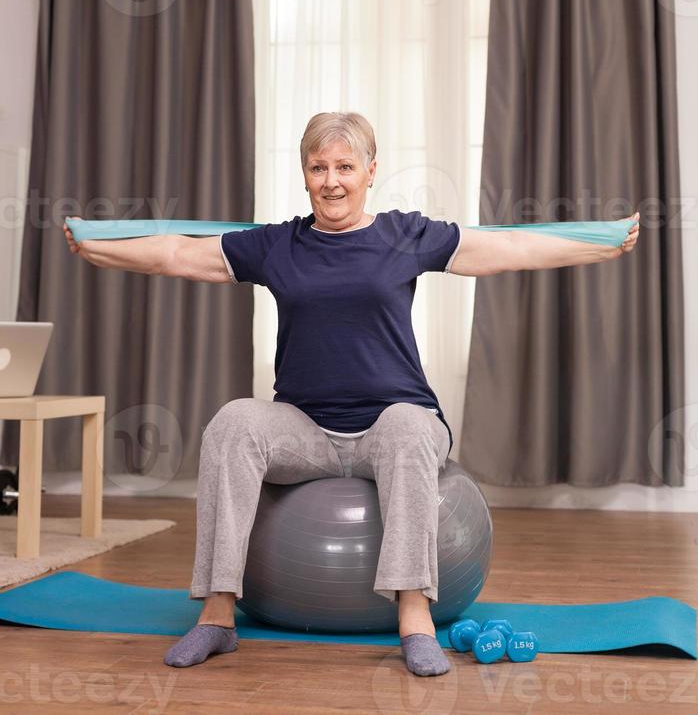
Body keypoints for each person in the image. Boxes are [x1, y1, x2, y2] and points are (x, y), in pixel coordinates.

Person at [63, 111, 640, 677]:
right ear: (305, 173)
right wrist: (94, 247)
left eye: (345, 166)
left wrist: (600, 245)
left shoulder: (405, 236)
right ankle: (217, 615)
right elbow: (178, 254)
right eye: (319, 167)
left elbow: (506, 249)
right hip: (305, 429)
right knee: (234, 421)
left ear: (370, 171)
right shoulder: (276, 245)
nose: (331, 180)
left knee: (410, 427)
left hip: (393, 424)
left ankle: (414, 616)